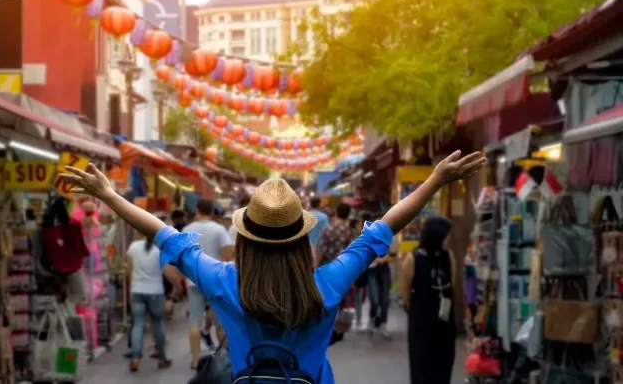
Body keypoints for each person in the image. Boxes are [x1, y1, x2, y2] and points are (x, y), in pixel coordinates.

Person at [58, 150, 484, 383]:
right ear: (302, 239)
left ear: (245, 238)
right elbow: (385, 227)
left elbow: (164, 234)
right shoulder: (327, 285)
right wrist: (435, 181)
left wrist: (110, 197)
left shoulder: (226, 283)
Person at [399, 216, 457, 384]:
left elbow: (452, 285)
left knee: (444, 365)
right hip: (421, 321)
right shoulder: (413, 259)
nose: (449, 238)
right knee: (421, 365)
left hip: (445, 321)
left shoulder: (449, 257)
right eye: (446, 234)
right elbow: (405, 292)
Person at [182, 198, 232, 369]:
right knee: (220, 324)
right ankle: (225, 358)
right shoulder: (219, 230)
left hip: (194, 279)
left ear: (197, 211)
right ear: (212, 212)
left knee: (194, 322)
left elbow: (181, 256)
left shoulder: (188, 230)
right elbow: (227, 254)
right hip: (215, 280)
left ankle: (195, 360)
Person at [126, 233, 183, 372]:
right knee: (158, 324)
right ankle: (162, 358)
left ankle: (135, 357)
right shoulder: (160, 251)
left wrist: (132, 287)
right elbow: (169, 272)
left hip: (137, 291)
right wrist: (178, 287)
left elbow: (129, 270)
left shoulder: (133, 247)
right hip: (155, 292)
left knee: (138, 324)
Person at [316, 202, 357, 345]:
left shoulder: (328, 229)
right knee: (344, 301)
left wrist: (315, 268)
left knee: (328, 299)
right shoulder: (350, 231)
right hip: (345, 270)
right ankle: (340, 329)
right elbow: (353, 252)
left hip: (328, 269)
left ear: (337, 212)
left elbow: (320, 250)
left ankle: (329, 327)